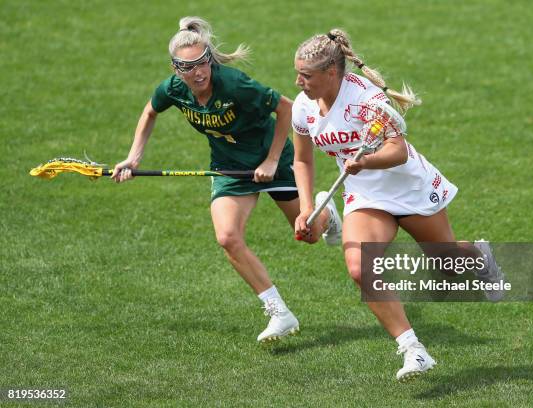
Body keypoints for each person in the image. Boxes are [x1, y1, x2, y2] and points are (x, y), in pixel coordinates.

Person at [111, 16, 342, 343]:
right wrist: (133, 158)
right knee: (227, 237)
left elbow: (286, 108)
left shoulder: (235, 85)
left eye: (203, 62)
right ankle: (279, 313)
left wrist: (273, 159)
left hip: (272, 162)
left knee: (309, 234)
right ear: (176, 68)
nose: (199, 71)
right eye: (189, 67)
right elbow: (150, 111)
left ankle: (327, 212)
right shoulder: (174, 90)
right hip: (229, 168)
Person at [291, 29, 504, 381]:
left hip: (409, 188)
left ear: (331, 73)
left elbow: (398, 149)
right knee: (360, 267)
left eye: (306, 75)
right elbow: (302, 161)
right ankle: (413, 350)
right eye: (297, 73)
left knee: (448, 263)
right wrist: (304, 207)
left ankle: (480, 256)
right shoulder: (303, 108)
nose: (299, 82)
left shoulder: (367, 99)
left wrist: (366, 163)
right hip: (365, 195)